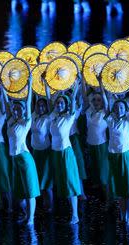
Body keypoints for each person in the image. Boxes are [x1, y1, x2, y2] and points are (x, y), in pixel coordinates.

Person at [100, 74, 129, 225]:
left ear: (126, 109)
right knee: (120, 189)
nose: (118, 108)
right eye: (116, 107)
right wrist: (101, 83)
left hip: (125, 156)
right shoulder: (110, 119)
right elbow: (105, 102)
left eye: (121, 107)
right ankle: (123, 215)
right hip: (113, 156)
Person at [2, 79, 40, 226]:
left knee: (30, 190)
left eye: (19, 109)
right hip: (14, 159)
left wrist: (30, 84)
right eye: (15, 109)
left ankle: (31, 218)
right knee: (21, 192)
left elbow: (29, 102)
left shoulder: (26, 122)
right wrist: (2, 87)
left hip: (24, 158)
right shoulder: (11, 121)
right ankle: (27, 215)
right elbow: (6, 104)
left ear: (24, 111)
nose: (16, 111)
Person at [46, 80, 82, 224]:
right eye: (58, 103)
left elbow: (72, 101)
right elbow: (49, 101)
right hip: (55, 153)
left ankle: (75, 215)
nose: (59, 104)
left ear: (66, 105)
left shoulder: (69, 117)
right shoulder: (53, 117)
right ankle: (69, 211)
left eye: (62, 103)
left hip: (66, 153)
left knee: (70, 181)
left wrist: (76, 87)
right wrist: (47, 84)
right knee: (62, 182)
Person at [82, 86, 109, 200]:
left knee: (104, 174)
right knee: (95, 171)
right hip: (91, 144)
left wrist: (101, 84)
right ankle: (100, 196)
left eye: (99, 100)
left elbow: (106, 100)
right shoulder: (89, 111)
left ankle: (109, 198)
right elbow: (84, 97)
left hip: (101, 145)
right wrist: (82, 79)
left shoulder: (105, 113)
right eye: (94, 100)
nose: (96, 102)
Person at [31, 96, 54, 212]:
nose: (40, 108)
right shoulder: (33, 116)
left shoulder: (48, 118)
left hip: (45, 151)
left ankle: (50, 205)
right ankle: (44, 201)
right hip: (35, 151)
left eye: (42, 106)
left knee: (46, 179)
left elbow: (50, 102)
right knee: (39, 178)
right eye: (38, 105)